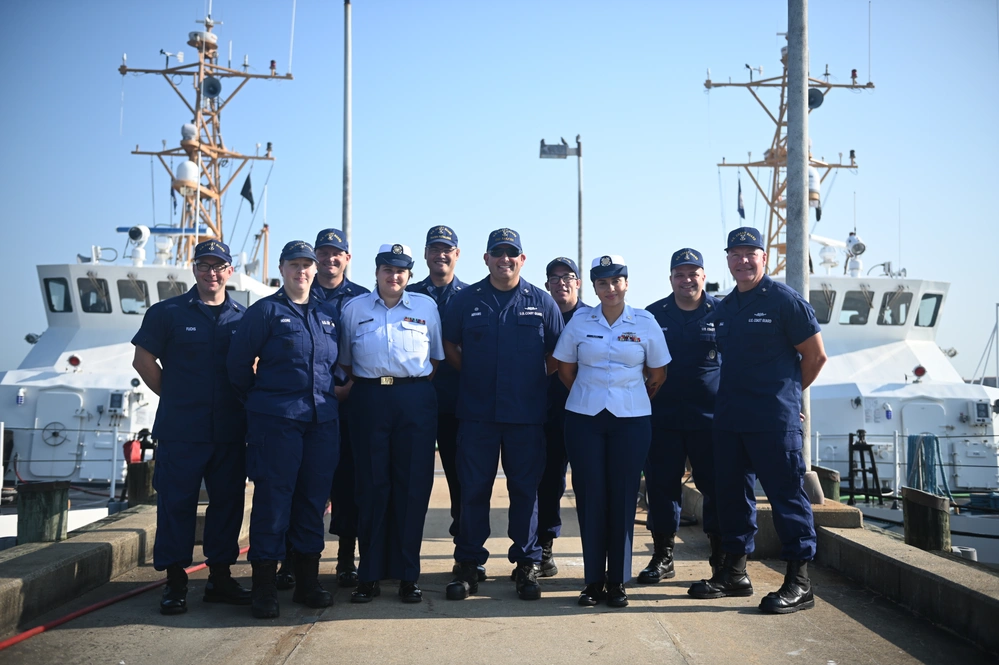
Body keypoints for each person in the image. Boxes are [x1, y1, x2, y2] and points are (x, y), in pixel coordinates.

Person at [688, 227, 827, 615]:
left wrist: (786, 397)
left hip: (772, 420)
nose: (744, 261)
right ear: (728, 260)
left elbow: (815, 357)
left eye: (752, 253)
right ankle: (734, 573)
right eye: (736, 254)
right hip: (730, 419)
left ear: (764, 259)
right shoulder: (725, 307)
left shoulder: (785, 301)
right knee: (732, 497)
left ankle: (799, 583)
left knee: (786, 498)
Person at [442, 228, 564, 601]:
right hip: (477, 413)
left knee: (525, 491)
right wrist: (478, 378)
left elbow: (558, 354)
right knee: (473, 489)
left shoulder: (541, 302)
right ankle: (468, 563)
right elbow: (450, 345)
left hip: (526, 416)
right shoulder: (465, 300)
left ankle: (525, 564)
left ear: (522, 259)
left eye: (512, 253)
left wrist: (527, 383)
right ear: (486, 258)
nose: (505, 259)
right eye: (498, 253)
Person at [131, 239, 251, 615]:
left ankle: (219, 578)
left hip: (230, 430)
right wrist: (174, 394)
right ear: (193, 268)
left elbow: (257, 363)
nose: (211, 273)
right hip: (181, 429)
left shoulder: (244, 317)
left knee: (228, 505)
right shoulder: (166, 313)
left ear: (229, 271)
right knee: (176, 505)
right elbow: (143, 360)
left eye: (219, 267)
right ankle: (176, 582)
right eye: (204, 266)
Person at [227, 240, 341, 619]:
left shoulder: (327, 315)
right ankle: (264, 586)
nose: (303, 271)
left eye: (308, 265)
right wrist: (263, 403)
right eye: (295, 264)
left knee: (312, 502)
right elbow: (238, 366)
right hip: (277, 423)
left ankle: (308, 581)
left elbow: (334, 367)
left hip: (320, 423)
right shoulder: (265, 312)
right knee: (274, 501)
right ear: (282, 268)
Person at [554, 255, 670, 608]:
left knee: (622, 498)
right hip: (585, 419)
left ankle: (617, 581)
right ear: (594, 287)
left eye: (615, 281)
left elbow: (658, 375)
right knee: (590, 497)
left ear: (627, 283)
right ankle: (592, 582)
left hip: (631, 421)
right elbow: (565, 369)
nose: (609, 288)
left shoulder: (646, 322)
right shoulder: (579, 322)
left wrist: (629, 398)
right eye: (602, 283)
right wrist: (592, 396)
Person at [339, 243, 444, 603]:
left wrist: (407, 389)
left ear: (409, 274)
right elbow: (347, 362)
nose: (393, 276)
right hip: (369, 399)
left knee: (412, 488)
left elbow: (436, 359)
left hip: (414, 399)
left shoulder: (426, 308)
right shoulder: (354, 310)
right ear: (377, 271)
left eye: (400, 270)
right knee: (370, 486)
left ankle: (407, 575)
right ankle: (368, 574)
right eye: (387, 269)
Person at [639, 248, 722, 584]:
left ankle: (721, 557)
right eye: (680, 274)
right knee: (661, 490)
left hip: (710, 420)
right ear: (671, 278)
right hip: (664, 419)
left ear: (703, 275)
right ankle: (663, 557)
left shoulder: (723, 311)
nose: (687, 280)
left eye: (693, 273)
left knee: (716, 490)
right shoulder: (652, 315)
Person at [302, 227, 370, 590]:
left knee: (348, 484)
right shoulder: (298, 294)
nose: (330, 259)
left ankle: (346, 560)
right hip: (306, 406)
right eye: (323, 253)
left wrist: (349, 388)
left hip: (349, 404)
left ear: (347, 258)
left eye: (336, 253)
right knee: (304, 484)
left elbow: (370, 351)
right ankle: (295, 560)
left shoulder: (361, 299)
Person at [405, 226, 474, 579]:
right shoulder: (411, 295)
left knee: (463, 482)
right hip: (414, 404)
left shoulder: (470, 297)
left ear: (457, 255)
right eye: (434, 249)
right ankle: (400, 558)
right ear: (426, 254)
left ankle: (465, 553)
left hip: (456, 407)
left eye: (447, 249)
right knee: (409, 481)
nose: (441, 255)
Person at [534, 256, 588, 579]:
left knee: (589, 484)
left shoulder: (593, 318)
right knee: (548, 482)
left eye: (568, 277)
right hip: (548, 413)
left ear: (578, 283)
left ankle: (599, 554)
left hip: (586, 414)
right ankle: (544, 547)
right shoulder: (538, 315)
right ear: (547, 286)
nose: (561, 283)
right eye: (554, 279)